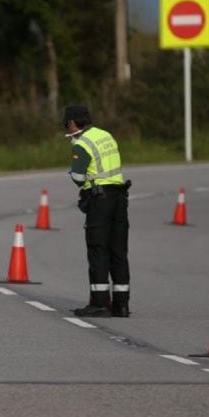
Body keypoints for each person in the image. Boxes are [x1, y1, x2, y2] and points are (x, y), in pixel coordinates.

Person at [64, 104, 131, 318]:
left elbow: (78, 177)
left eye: (67, 123)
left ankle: (100, 303)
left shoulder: (82, 143)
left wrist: (75, 176)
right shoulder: (106, 135)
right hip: (120, 197)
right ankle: (121, 304)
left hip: (99, 200)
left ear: (72, 123)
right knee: (118, 251)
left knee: (98, 249)